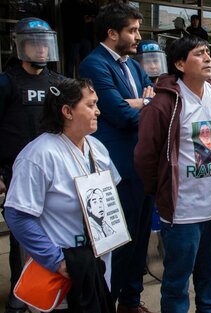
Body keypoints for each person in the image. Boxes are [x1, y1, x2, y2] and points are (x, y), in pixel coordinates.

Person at [4, 78, 120, 312]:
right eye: (90, 105)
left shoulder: (97, 148)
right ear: (67, 111)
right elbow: (17, 215)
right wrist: (56, 260)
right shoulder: (39, 155)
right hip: (65, 270)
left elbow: (112, 194)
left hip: (97, 267)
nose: (98, 111)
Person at [134, 35, 211, 313]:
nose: (208, 58)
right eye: (199, 54)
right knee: (176, 284)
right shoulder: (164, 103)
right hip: (183, 211)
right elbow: (144, 156)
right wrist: (161, 190)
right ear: (180, 63)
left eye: (208, 53)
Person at [79, 3, 155, 312]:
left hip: (143, 165)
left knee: (140, 240)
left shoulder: (134, 66)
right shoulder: (93, 65)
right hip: (117, 169)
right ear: (112, 33)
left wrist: (141, 103)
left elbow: (152, 99)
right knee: (117, 244)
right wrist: (143, 104)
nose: (138, 36)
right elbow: (121, 114)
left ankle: (132, 301)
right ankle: (108, 302)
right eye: (132, 31)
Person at [0, 17, 63, 313]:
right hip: (16, 169)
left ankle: (45, 287)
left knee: (48, 233)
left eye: (43, 43)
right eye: (34, 43)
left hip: (52, 170)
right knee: (21, 234)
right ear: (21, 45)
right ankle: (18, 291)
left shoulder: (57, 82)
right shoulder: (6, 82)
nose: (40, 50)